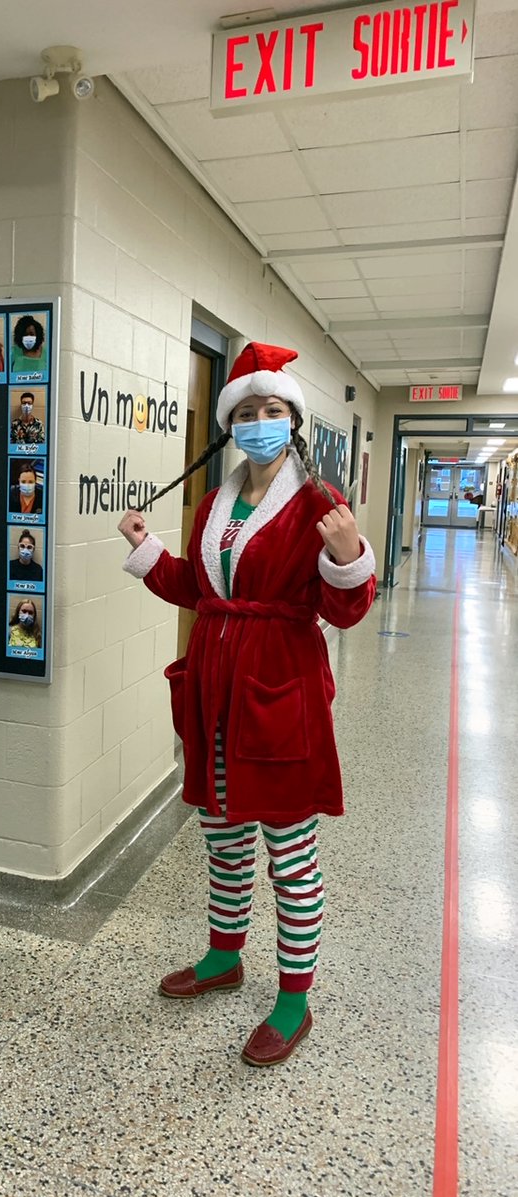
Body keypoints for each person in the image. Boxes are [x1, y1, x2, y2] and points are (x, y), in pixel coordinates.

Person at [118, 342, 376, 1068]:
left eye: (273, 411)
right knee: (223, 840)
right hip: (213, 693)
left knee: (290, 857)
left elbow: (347, 610)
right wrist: (147, 551)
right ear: (233, 424)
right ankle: (224, 956)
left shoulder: (321, 504)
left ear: (291, 420)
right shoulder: (215, 503)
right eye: (249, 412)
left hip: (279, 691)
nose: (261, 422)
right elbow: (198, 594)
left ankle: (295, 998)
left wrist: (349, 552)